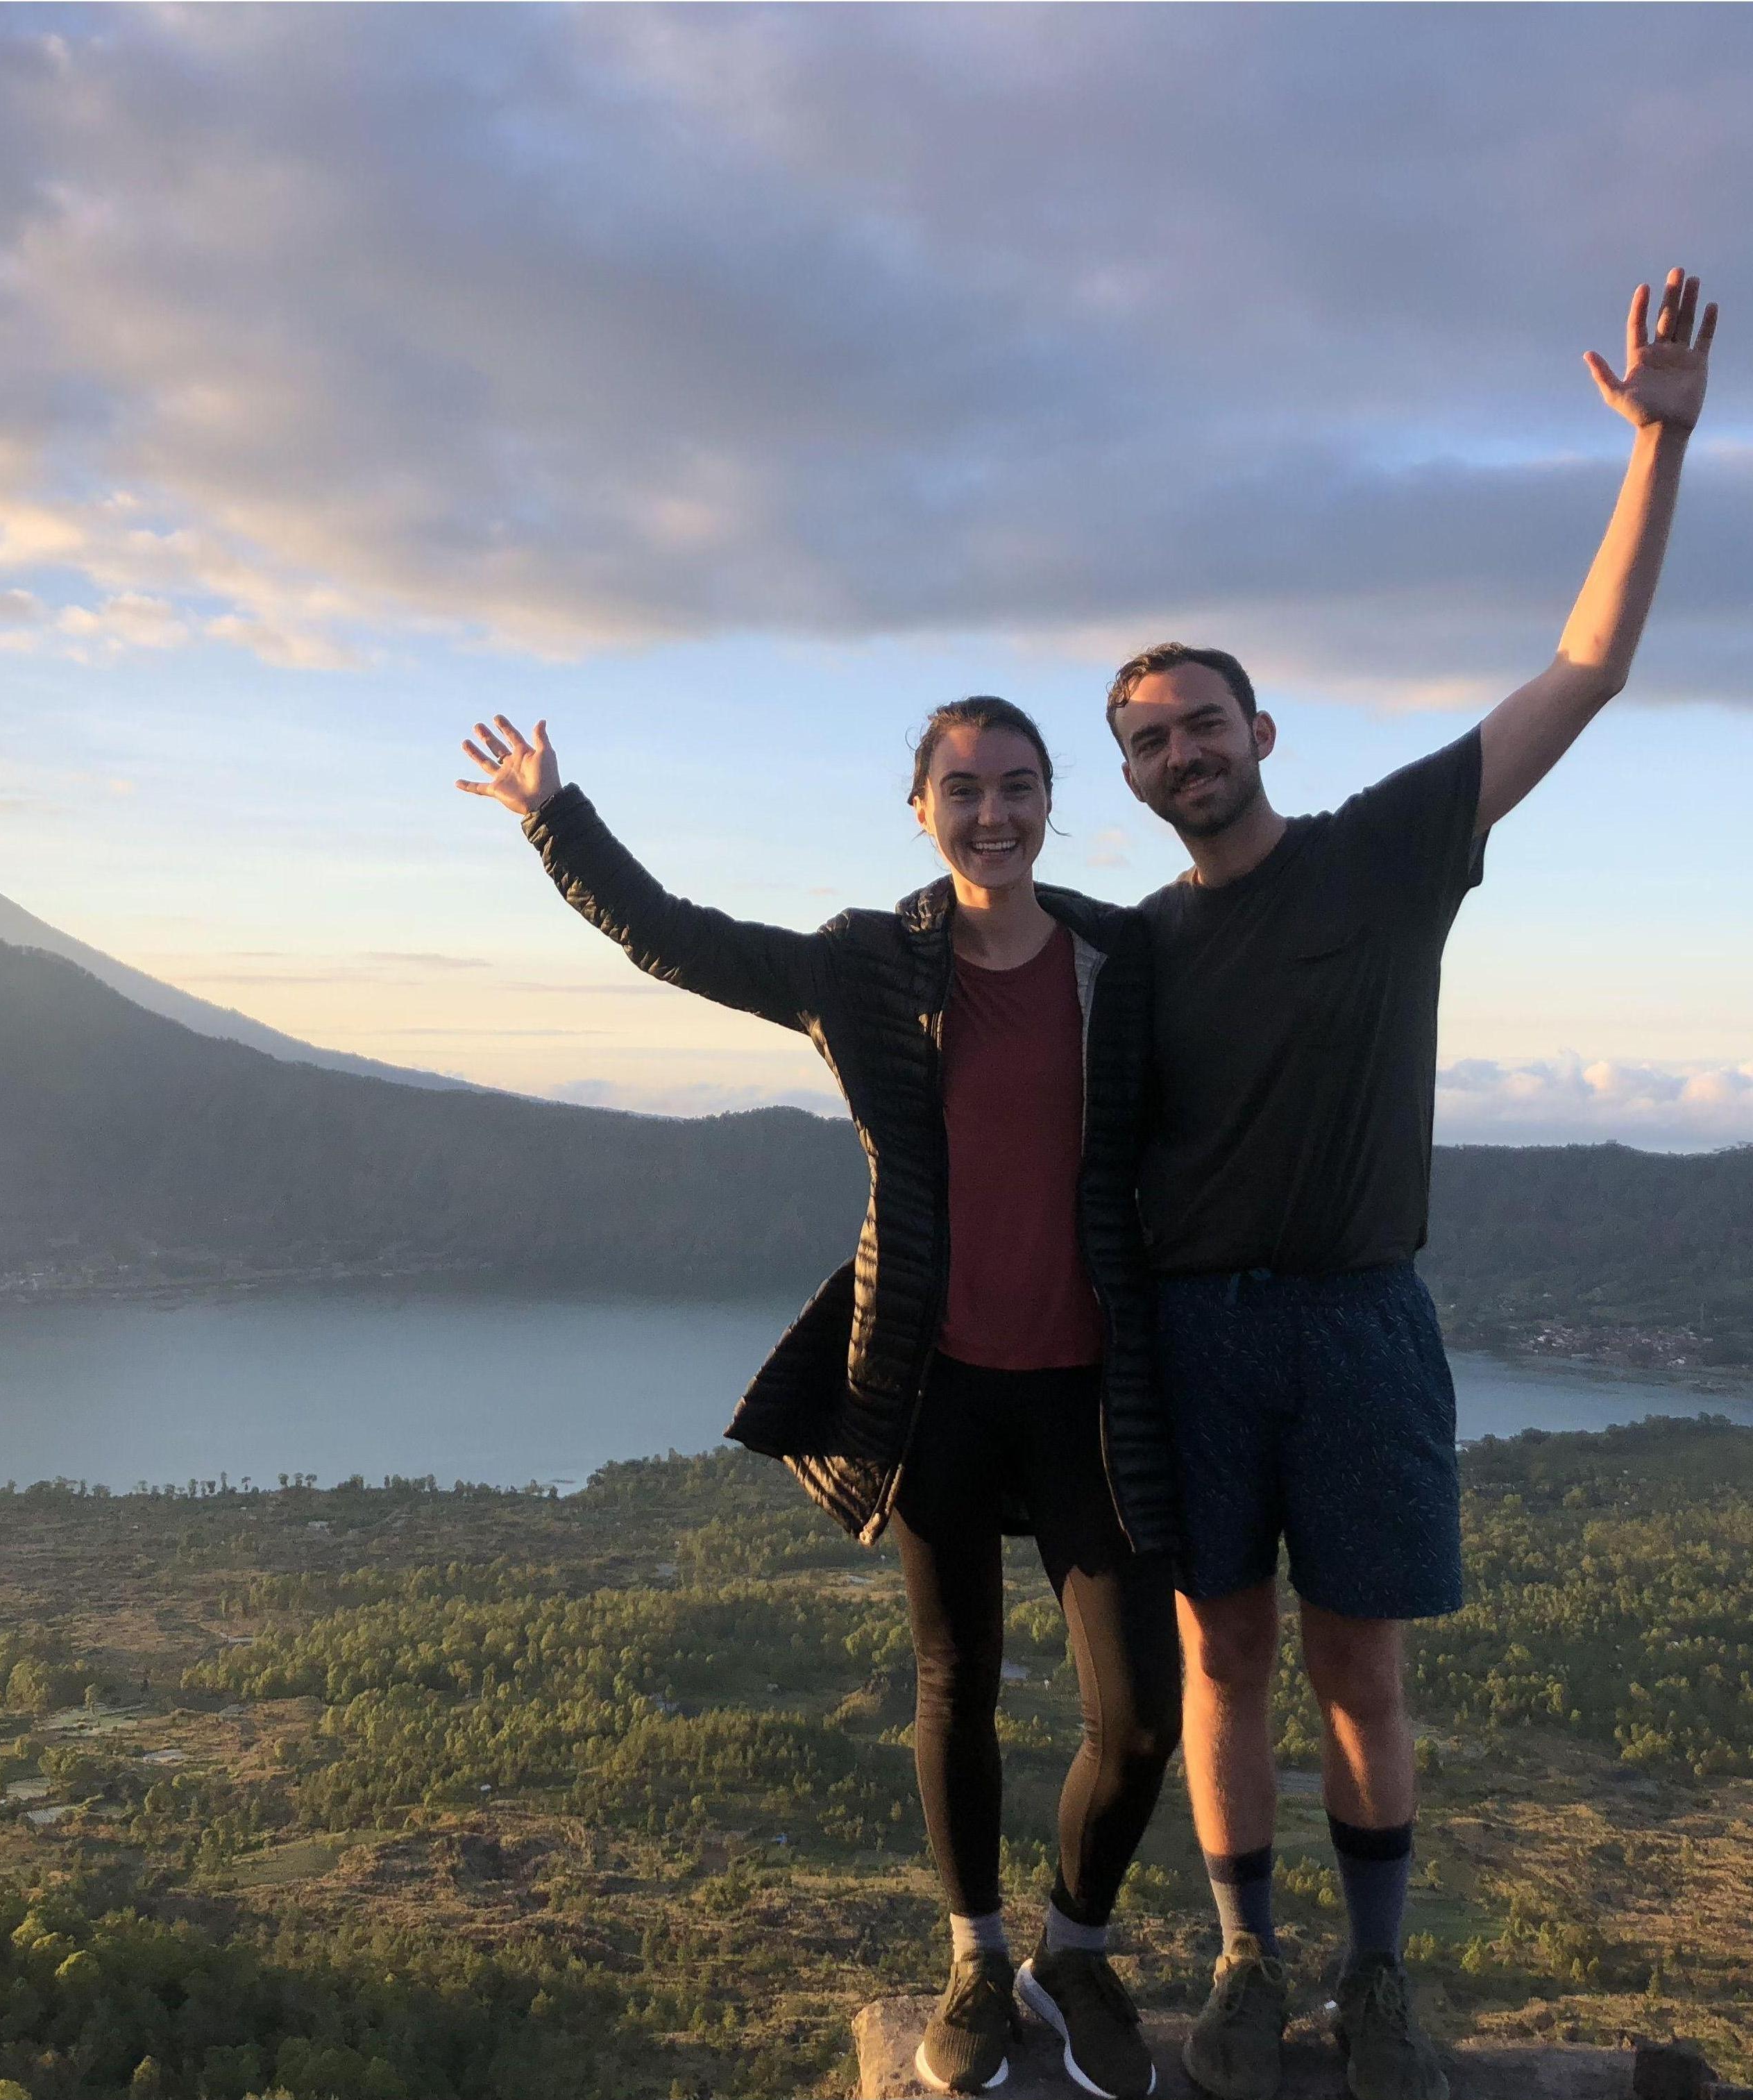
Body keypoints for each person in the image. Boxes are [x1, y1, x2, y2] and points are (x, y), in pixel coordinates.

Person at [1103, 269, 1718, 2100]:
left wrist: (1660, 448)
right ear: (1130, 780)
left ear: (1261, 734)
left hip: (1366, 1320)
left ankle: (1373, 1983)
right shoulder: (1132, 952)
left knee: (1359, 1672)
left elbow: (1588, 668)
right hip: (1201, 1335)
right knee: (1223, 1666)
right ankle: (1239, 1963)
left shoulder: (1383, 857)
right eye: (1146, 741)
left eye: (1200, 721)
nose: (1178, 753)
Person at [457, 696, 1180, 2097]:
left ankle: (1073, 1950)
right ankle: (977, 1957)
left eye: (1017, 786)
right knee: (956, 1680)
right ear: (922, 809)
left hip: (1096, 1387)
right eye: (962, 789)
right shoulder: (864, 964)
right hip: (933, 1386)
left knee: (1138, 1712)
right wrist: (557, 815)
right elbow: (681, 937)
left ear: (1051, 801)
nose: (992, 813)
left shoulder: (1121, 959)